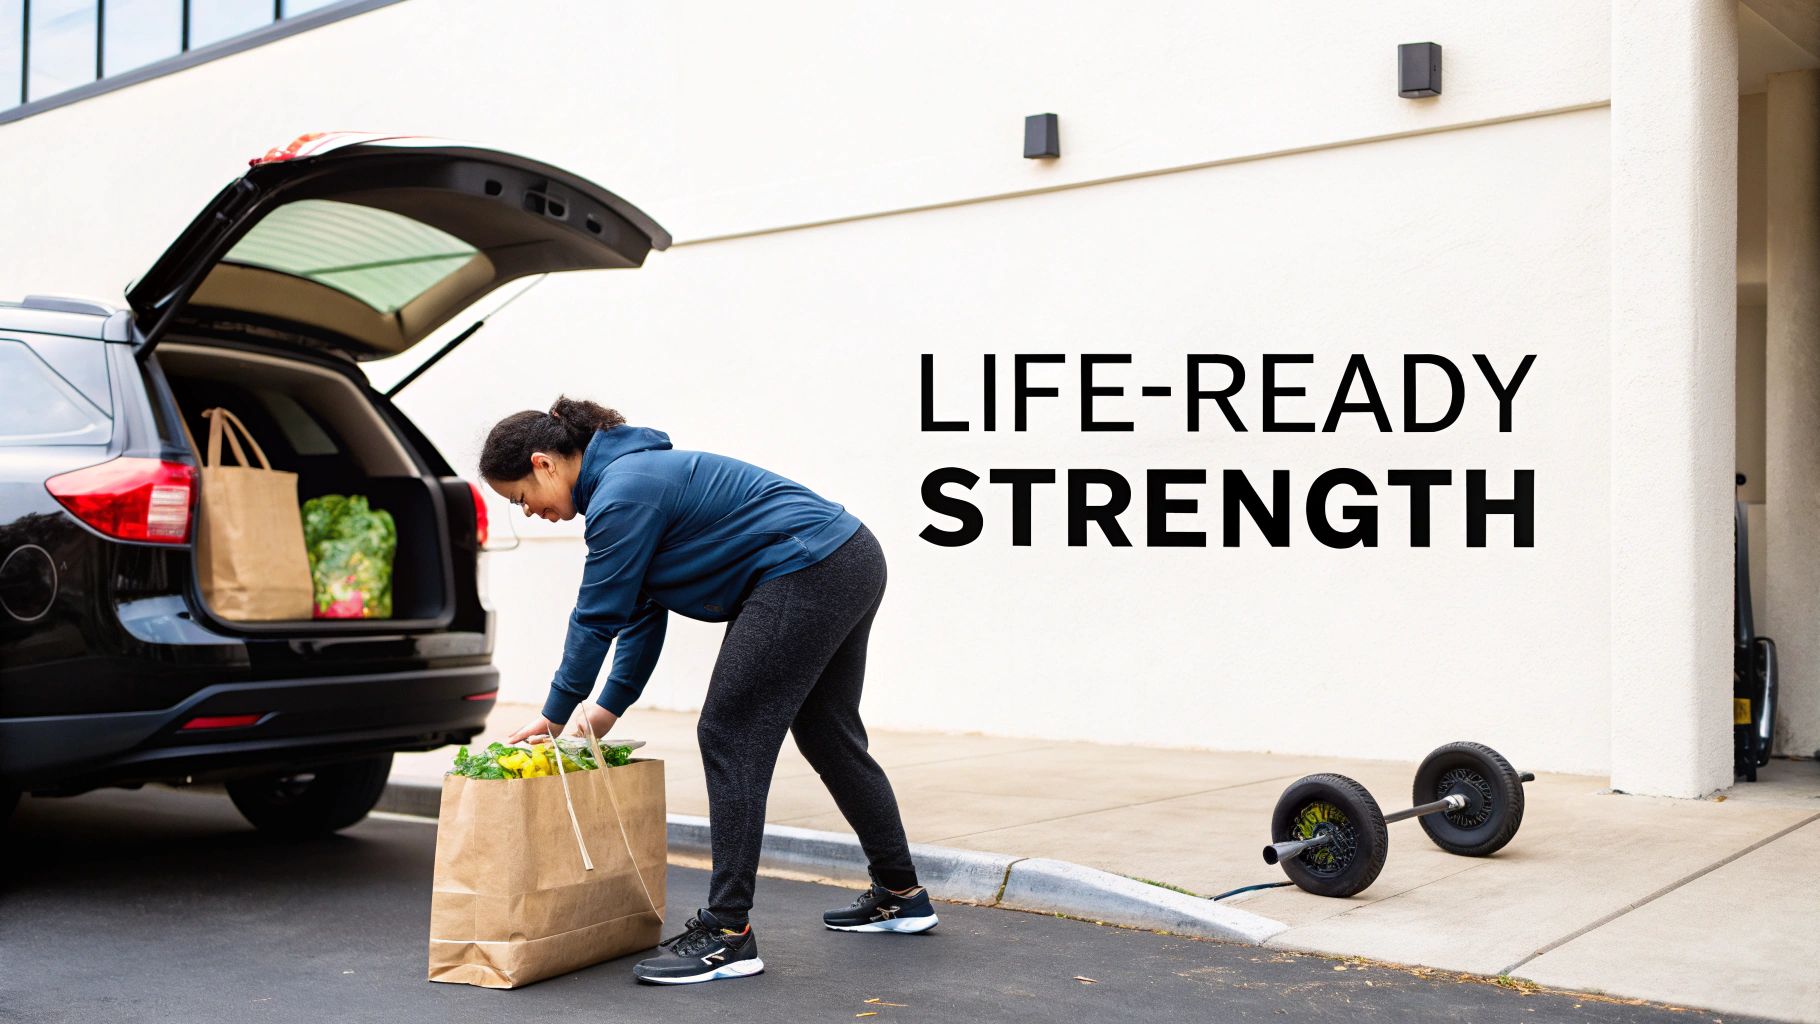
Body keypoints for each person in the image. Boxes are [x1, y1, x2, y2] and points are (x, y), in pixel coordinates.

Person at [479, 396, 936, 986]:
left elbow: (594, 618)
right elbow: (640, 613)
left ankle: (728, 935)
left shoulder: (625, 491)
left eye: (521, 499)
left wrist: (553, 714)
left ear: (544, 464)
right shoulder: (626, 486)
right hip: (844, 555)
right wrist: (603, 712)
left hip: (807, 567)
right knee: (827, 734)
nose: (530, 513)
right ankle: (902, 894)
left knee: (729, 730)